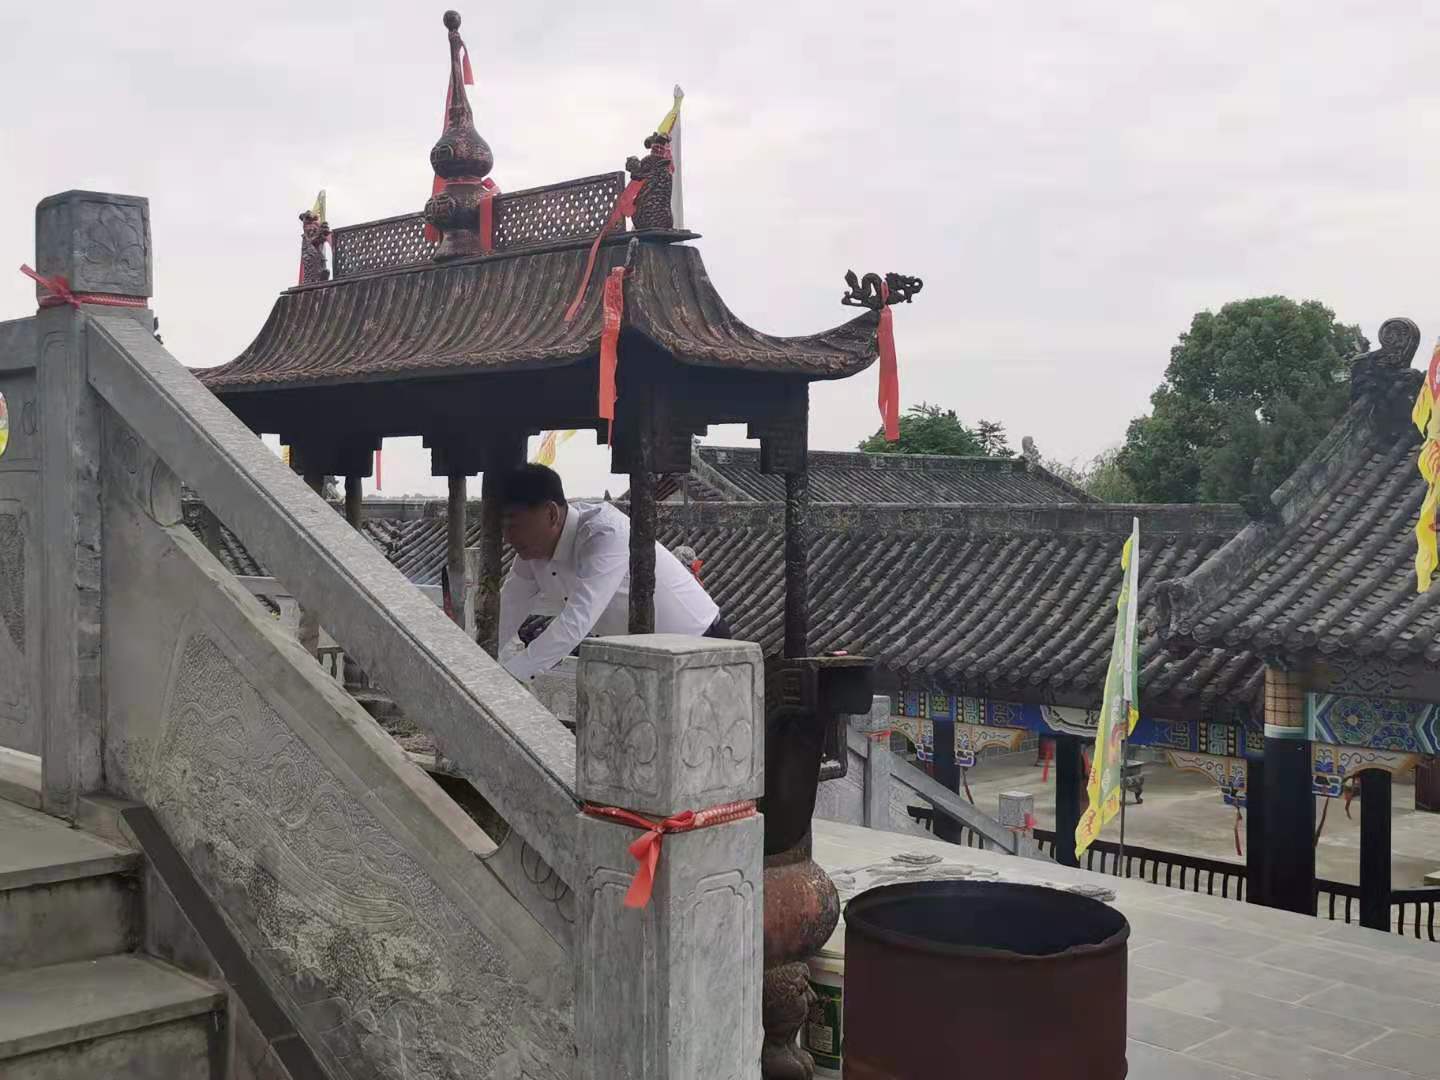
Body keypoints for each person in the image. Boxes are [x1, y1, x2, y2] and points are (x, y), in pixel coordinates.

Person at [497, 464, 731, 682]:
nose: (507, 537)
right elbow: (509, 607)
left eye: (514, 525)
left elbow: (575, 621)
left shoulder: (605, 533)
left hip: (702, 647)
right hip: (644, 659)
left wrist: (505, 678)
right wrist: (481, 662)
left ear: (551, 514)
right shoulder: (532, 551)